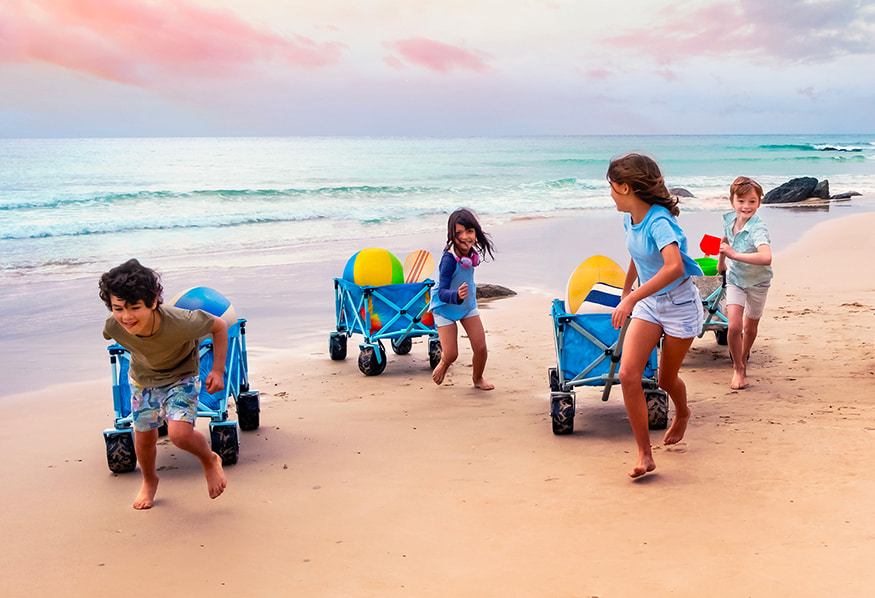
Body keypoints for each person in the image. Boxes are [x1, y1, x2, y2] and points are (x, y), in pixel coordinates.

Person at [99, 258, 229, 509]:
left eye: (135, 307)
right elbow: (122, 335)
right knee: (144, 438)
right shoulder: (113, 326)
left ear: (154, 302)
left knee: (179, 435)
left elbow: (220, 326)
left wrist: (218, 370)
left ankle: (209, 459)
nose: (126, 316)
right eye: (118, 308)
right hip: (143, 381)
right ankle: (150, 481)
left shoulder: (181, 321)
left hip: (181, 377)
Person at [607, 153, 704, 478]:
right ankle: (644, 455)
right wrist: (626, 290)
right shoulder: (630, 218)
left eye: (611, 186)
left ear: (625, 187)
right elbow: (637, 253)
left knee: (665, 379)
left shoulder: (659, 221)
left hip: (679, 305)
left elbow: (674, 266)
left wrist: (633, 297)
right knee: (628, 374)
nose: (609, 193)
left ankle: (683, 412)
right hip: (649, 302)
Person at [430, 208, 496, 390]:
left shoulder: (471, 255)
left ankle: (477, 379)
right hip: (445, 307)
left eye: (469, 231)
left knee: (481, 347)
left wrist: (464, 298)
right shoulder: (449, 259)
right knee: (451, 354)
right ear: (451, 234)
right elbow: (442, 291)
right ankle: (444, 362)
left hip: (467, 305)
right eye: (459, 233)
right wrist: (456, 295)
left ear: (475, 232)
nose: (465, 237)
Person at [717, 176, 773, 390]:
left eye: (752, 201)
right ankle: (738, 367)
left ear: (759, 203)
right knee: (733, 326)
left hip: (759, 282)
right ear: (732, 201)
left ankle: (743, 359)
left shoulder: (759, 228)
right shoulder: (729, 220)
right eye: (741, 201)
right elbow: (724, 241)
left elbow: (766, 257)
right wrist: (722, 262)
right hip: (736, 280)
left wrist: (734, 255)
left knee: (750, 328)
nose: (746, 206)